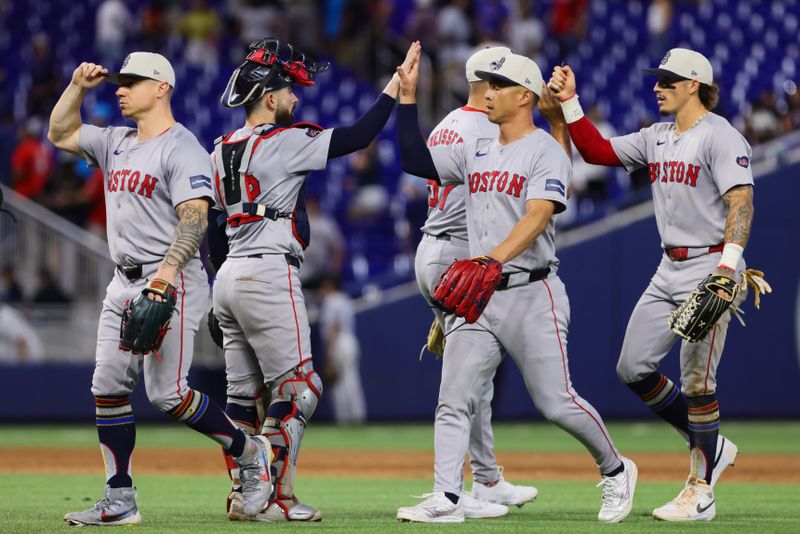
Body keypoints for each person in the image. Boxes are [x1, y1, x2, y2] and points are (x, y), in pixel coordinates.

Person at [394, 49, 637, 524]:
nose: (487, 91)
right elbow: (414, 161)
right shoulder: (474, 146)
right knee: (454, 397)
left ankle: (615, 468)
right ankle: (446, 496)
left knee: (556, 402)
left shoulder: (545, 149)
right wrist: (406, 99)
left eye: (498, 85)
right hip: (480, 293)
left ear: (524, 96)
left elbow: (539, 214)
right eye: (487, 83)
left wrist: (490, 258)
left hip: (531, 290)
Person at [47, 52, 272, 527]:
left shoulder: (182, 147)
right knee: (107, 386)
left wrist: (166, 274)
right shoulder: (116, 142)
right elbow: (60, 133)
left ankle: (250, 452)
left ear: (161, 88)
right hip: (122, 279)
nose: (121, 89)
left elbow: (194, 219)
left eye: (132, 82)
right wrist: (76, 87)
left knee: (168, 394)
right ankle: (120, 496)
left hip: (172, 278)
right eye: (120, 81)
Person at [207, 38, 422, 522]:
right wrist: (395, 85)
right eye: (288, 92)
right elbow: (358, 136)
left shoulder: (219, 150)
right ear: (268, 97)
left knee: (243, 398)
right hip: (267, 270)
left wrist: (216, 288)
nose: (295, 99)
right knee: (300, 388)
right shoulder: (283, 140)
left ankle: (243, 497)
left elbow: (214, 230)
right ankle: (274, 495)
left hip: (228, 274)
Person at [548, 47, 754, 521]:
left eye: (667, 80)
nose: (657, 86)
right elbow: (597, 151)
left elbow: (741, 201)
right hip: (668, 267)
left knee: (698, 381)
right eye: (657, 79)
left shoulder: (721, 137)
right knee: (632, 366)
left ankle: (700, 489)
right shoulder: (656, 136)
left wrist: (729, 266)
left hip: (709, 267)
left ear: (693, 86)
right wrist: (573, 102)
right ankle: (711, 444)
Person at [414, 46, 547, 520]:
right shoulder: (484, 128)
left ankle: (487, 477)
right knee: (467, 380)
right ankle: (462, 486)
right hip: (459, 251)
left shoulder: (449, 121)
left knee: (475, 378)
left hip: (434, 248)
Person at [319, 273, 366, 425]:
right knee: (352, 379)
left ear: (329, 286)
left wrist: (329, 352)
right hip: (351, 340)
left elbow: (333, 326)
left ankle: (344, 419)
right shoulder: (345, 299)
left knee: (339, 383)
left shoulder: (331, 301)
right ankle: (358, 416)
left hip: (338, 342)